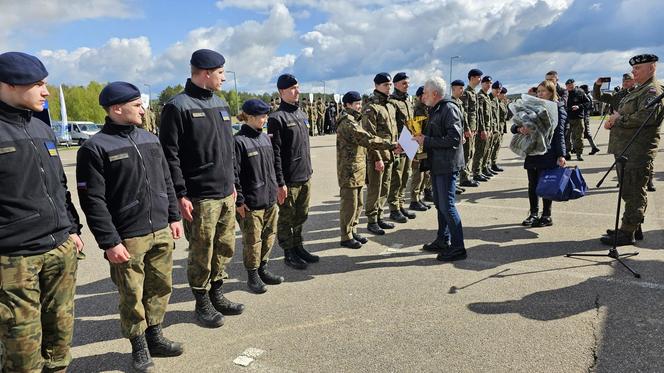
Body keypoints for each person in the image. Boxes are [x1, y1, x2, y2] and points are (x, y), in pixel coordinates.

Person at [77, 82, 184, 372]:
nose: (143, 109)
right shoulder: (95, 148)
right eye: (137, 105)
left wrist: (174, 216)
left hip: (160, 228)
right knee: (131, 293)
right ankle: (138, 345)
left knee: (160, 286)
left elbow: (166, 181)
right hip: (128, 235)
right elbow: (93, 201)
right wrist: (110, 241)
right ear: (116, 109)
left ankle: (156, 335)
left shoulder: (150, 138)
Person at [0, 51, 84, 373]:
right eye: (37, 84)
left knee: (60, 342)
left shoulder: (40, 125)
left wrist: (72, 229)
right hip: (14, 259)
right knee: (21, 355)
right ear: (8, 85)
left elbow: (59, 185)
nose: (46, 91)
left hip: (59, 250)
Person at [160, 49, 244, 329]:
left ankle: (217, 292)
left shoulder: (220, 103)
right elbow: (169, 155)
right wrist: (180, 194)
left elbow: (228, 148)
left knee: (224, 246)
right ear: (206, 73)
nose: (223, 77)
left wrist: (232, 181)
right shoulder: (178, 106)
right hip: (199, 195)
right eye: (220, 73)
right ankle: (201, 301)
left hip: (224, 191)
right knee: (201, 251)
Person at [599, 54, 663, 246]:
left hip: (637, 150)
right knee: (629, 190)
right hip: (627, 148)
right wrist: (616, 117)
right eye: (633, 69)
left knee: (634, 191)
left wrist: (618, 120)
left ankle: (628, 232)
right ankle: (633, 226)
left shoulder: (652, 90)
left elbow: (646, 118)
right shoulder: (639, 90)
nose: (634, 72)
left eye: (638, 69)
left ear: (651, 68)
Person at [336, 91, 399, 249]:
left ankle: (353, 230)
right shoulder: (348, 123)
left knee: (358, 203)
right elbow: (367, 138)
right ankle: (346, 236)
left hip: (357, 168)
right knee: (349, 205)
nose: (359, 106)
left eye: (359, 103)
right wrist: (391, 145)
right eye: (356, 104)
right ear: (348, 105)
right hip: (349, 170)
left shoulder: (354, 120)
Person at [413, 76, 466, 261]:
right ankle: (443, 240)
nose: (423, 96)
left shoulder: (448, 108)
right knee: (440, 205)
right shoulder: (436, 109)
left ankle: (458, 247)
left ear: (435, 94)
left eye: (425, 93)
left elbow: (453, 139)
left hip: (446, 165)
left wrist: (426, 140)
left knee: (447, 206)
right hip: (437, 164)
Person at [234, 99, 285, 293]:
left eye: (266, 116)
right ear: (251, 117)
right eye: (262, 117)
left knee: (269, 236)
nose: (265, 120)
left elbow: (274, 165)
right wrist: (239, 199)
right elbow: (234, 173)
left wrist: (280, 185)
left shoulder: (265, 139)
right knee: (252, 241)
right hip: (251, 202)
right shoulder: (239, 141)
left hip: (270, 198)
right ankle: (252, 275)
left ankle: (263, 268)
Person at [267, 74, 318, 269]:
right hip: (289, 179)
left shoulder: (301, 114)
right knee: (287, 217)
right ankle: (288, 252)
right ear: (281, 92)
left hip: (305, 175)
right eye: (291, 89)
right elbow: (275, 153)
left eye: (297, 87)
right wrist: (280, 183)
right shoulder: (276, 118)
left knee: (301, 214)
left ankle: (298, 246)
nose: (297, 91)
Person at [513, 80, 567, 228]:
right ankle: (533, 213)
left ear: (551, 92)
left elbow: (559, 133)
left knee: (546, 183)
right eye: (538, 91)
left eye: (543, 91)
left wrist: (561, 154)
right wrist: (520, 129)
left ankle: (546, 215)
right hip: (532, 149)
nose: (540, 94)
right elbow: (514, 125)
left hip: (548, 152)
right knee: (532, 184)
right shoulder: (532, 106)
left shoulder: (557, 108)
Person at [363, 73, 399, 235]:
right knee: (375, 189)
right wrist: (377, 158)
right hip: (377, 156)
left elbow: (394, 130)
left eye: (390, 84)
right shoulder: (371, 108)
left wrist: (397, 147)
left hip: (390, 153)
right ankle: (371, 220)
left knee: (385, 187)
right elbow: (369, 136)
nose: (389, 87)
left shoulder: (390, 106)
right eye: (385, 85)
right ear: (376, 86)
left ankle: (380, 216)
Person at [388, 72, 416, 222]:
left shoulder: (407, 101)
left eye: (408, 83)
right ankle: (394, 208)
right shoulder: (392, 102)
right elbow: (391, 126)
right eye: (404, 83)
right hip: (399, 143)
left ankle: (401, 204)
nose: (407, 86)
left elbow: (411, 122)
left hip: (409, 142)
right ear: (396, 84)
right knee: (396, 177)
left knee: (406, 175)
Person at [409, 86, 433, 211]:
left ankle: (419, 198)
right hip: (419, 147)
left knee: (425, 172)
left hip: (425, 146)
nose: (427, 96)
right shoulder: (417, 110)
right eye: (425, 94)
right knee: (418, 173)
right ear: (419, 96)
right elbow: (416, 132)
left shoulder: (426, 108)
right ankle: (414, 200)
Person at [461, 68, 483, 186]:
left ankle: (467, 175)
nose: (480, 80)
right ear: (472, 78)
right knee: (466, 153)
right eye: (479, 77)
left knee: (470, 153)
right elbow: (464, 112)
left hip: (473, 129)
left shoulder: (473, 92)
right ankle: (464, 178)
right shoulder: (466, 93)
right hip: (468, 129)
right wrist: (466, 128)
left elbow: (475, 113)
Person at [474, 75, 494, 181]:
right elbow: (480, 114)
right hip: (482, 130)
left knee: (485, 150)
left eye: (490, 83)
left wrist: (489, 128)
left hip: (488, 128)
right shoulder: (480, 96)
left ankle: (482, 169)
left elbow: (489, 116)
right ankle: (476, 172)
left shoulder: (487, 96)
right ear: (482, 83)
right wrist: (483, 129)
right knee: (480, 151)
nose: (488, 85)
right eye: (486, 83)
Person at [545, 71, 570, 160]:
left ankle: (563, 155)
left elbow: (563, 103)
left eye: (551, 79)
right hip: (548, 123)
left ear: (557, 80)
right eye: (547, 80)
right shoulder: (543, 91)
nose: (549, 82)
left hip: (560, 121)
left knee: (560, 141)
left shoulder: (563, 91)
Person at [565, 78, 591, 161]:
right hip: (567, 118)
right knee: (566, 137)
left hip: (578, 118)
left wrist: (579, 106)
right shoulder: (565, 93)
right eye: (568, 85)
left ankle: (579, 154)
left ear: (574, 84)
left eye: (571, 85)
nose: (570, 86)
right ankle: (567, 153)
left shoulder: (580, 92)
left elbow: (587, 103)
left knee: (579, 137)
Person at [579, 84, 600, 155]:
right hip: (586, 115)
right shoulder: (589, 95)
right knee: (586, 132)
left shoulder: (586, 96)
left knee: (586, 132)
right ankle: (594, 147)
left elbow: (587, 106)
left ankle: (594, 147)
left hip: (585, 115)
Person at [488, 81, 505, 173]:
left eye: (500, 89)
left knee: (495, 147)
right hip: (491, 129)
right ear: (492, 89)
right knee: (488, 149)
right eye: (496, 89)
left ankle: (492, 164)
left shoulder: (495, 100)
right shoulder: (489, 99)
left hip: (497, 129)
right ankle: (485, 167)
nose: (498, 91)